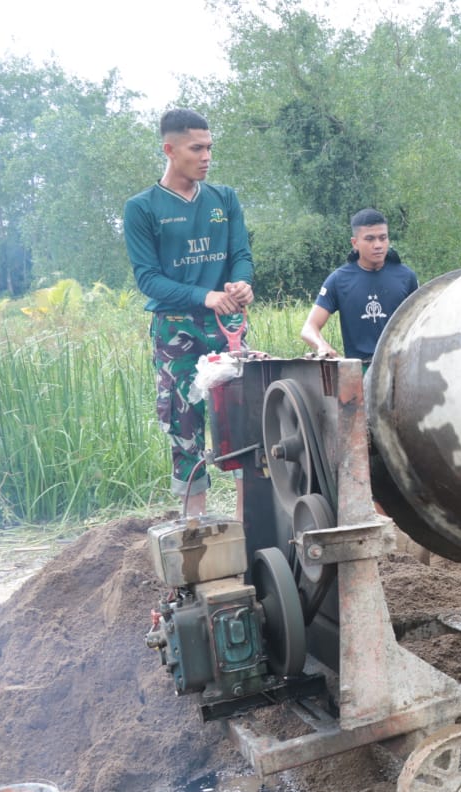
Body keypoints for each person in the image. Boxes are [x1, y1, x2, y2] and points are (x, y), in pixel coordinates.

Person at [124, 108, 254, 519]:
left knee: (240, 422)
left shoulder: (224, 199)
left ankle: (248, 525)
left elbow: (240, 256)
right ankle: (194, 529)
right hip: (175, 330)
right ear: (169, 149)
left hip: (227, 326)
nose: (206, 157)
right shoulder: (142, 208)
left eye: (209, 148)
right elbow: (148, 279)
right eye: (196, 148)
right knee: (184, 428)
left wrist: (241, 283)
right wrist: (205, 295)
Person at [300, 208, 419, 360]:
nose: (378, 245)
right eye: (370, 239)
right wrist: (322, 345)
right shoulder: (338, 280)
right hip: (358, 370)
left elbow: (421, 323)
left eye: (383, 238)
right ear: (355, 243)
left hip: (401, 366)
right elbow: (309, 328)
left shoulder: (406, 276)